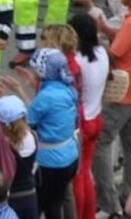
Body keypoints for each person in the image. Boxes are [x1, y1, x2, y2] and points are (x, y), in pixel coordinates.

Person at [24, 48, 81, 219]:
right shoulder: (67, 88)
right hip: (70, 156)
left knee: (48, 206)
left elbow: (28, 123)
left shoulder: (45, 97)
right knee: (57, 199)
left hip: (51, 163)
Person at [92, 0, 131, 217]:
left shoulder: (129, 22)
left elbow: (114, 53)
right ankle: (127, 194)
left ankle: (109, 204)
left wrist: (96, 37)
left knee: (101, 144)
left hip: (122, 96)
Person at [70, 11, 108, 219]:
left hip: (82, 122)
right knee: (85, 172)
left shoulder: (78, 60)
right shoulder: (102, 52)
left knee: (78, 176)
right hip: (96, 117)